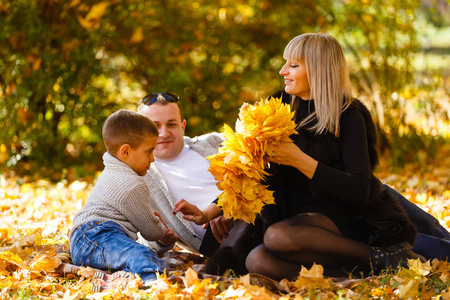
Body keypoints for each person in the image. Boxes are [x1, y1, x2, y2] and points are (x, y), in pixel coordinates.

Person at [204, 33, 425, 280]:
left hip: (340, 219)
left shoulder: (348, 115)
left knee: (277, 236)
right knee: (257, 259)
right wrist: (210, 210)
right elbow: (245, 166)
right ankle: (364, 272)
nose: (282, 71)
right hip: (286, 218)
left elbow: (360, 189)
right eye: (285, 62)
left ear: (319, 70)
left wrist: (298, 159)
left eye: (293, 65)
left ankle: (383, 257)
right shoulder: (275, 107)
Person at [69, 109, 175, 291]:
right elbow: (151, 232)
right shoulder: (132, 183)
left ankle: (118, 281)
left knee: (129, 256)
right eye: (148, 152)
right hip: (96, 236)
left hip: (87, 240)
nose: (152, 158)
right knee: (140, 253)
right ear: (125, 151)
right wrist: (163, 234)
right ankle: (153, 283)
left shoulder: (113, 170)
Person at [136, 92, 240, 257]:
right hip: (220, 243)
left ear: (182, 126)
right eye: (155, 126)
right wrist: (162, 240)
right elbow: (140, 237)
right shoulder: (139, 177)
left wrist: (226, 209)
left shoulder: (215, 143)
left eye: (171, 124)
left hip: (252, 213)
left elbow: (255, 171)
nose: (163, 133)